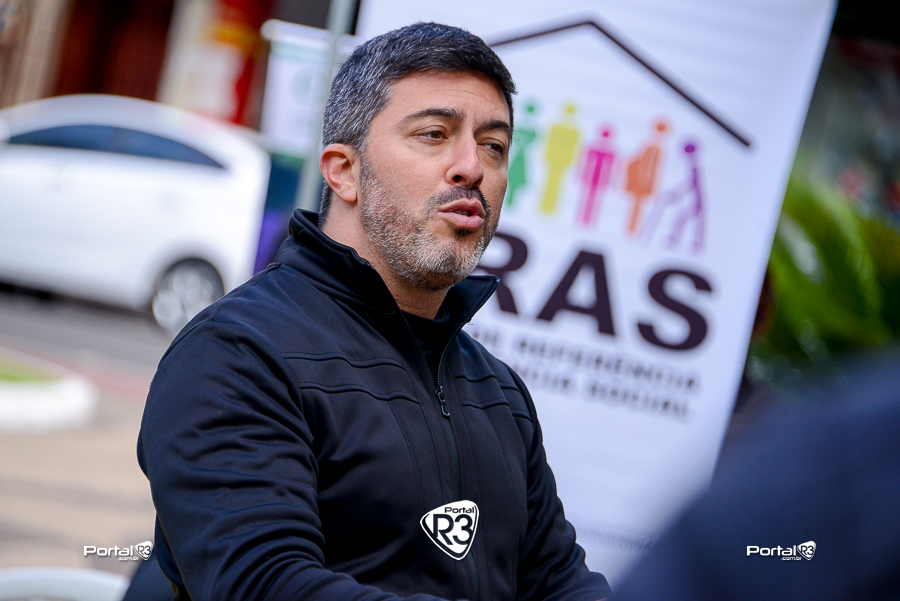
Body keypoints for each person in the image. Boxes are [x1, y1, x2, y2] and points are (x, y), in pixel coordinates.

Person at [137, 21, 610, 601]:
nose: (472, 167)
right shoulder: (236, 355)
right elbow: (264, 584)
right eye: (434, 134)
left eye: (494, 145)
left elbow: (560, 582)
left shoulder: (499, 391)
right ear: (344, 170)